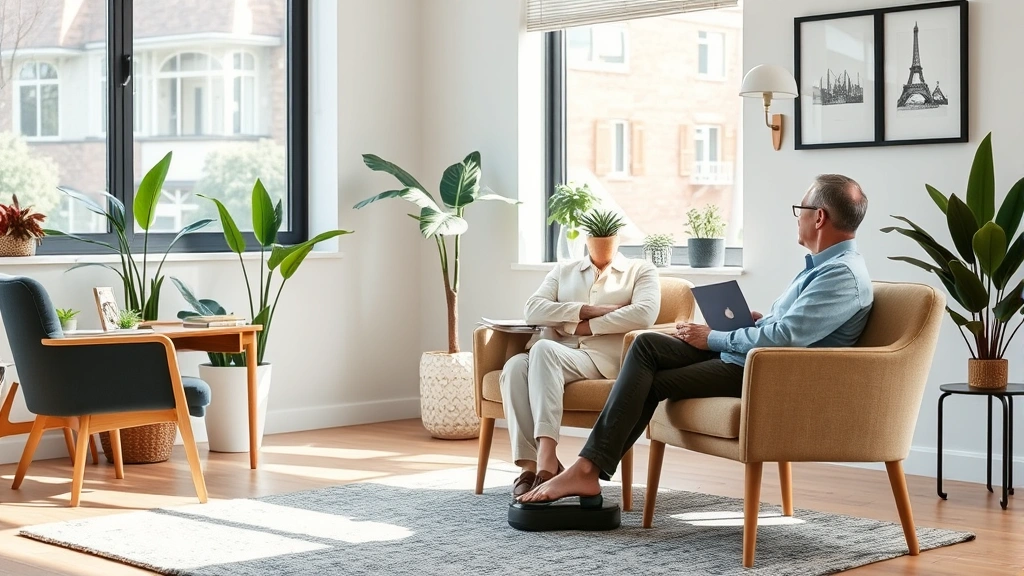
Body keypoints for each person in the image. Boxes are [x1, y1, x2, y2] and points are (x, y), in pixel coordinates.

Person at [519, 174, 872, 504]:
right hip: (750, 358)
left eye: (801, 210)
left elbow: (786, 339)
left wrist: (714, 337)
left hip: (765, 374)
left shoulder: (840, 275)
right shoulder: (823, 268)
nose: (798, 218)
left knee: (651, 381)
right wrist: (759, 321)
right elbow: (790, 327)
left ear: (819, 217)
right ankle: (587, 470)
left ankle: (586, 470)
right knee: (646, 345)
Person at [501, 245, 660, 497]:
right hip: (557, 353)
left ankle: (546, 461)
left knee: (543, 349)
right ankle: (530, 467)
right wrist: (584, 311)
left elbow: (643, 314)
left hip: (599, 359)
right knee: (514, 367)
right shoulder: (564, 270)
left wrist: (585, 327)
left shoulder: (639, 269)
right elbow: (532, 309)